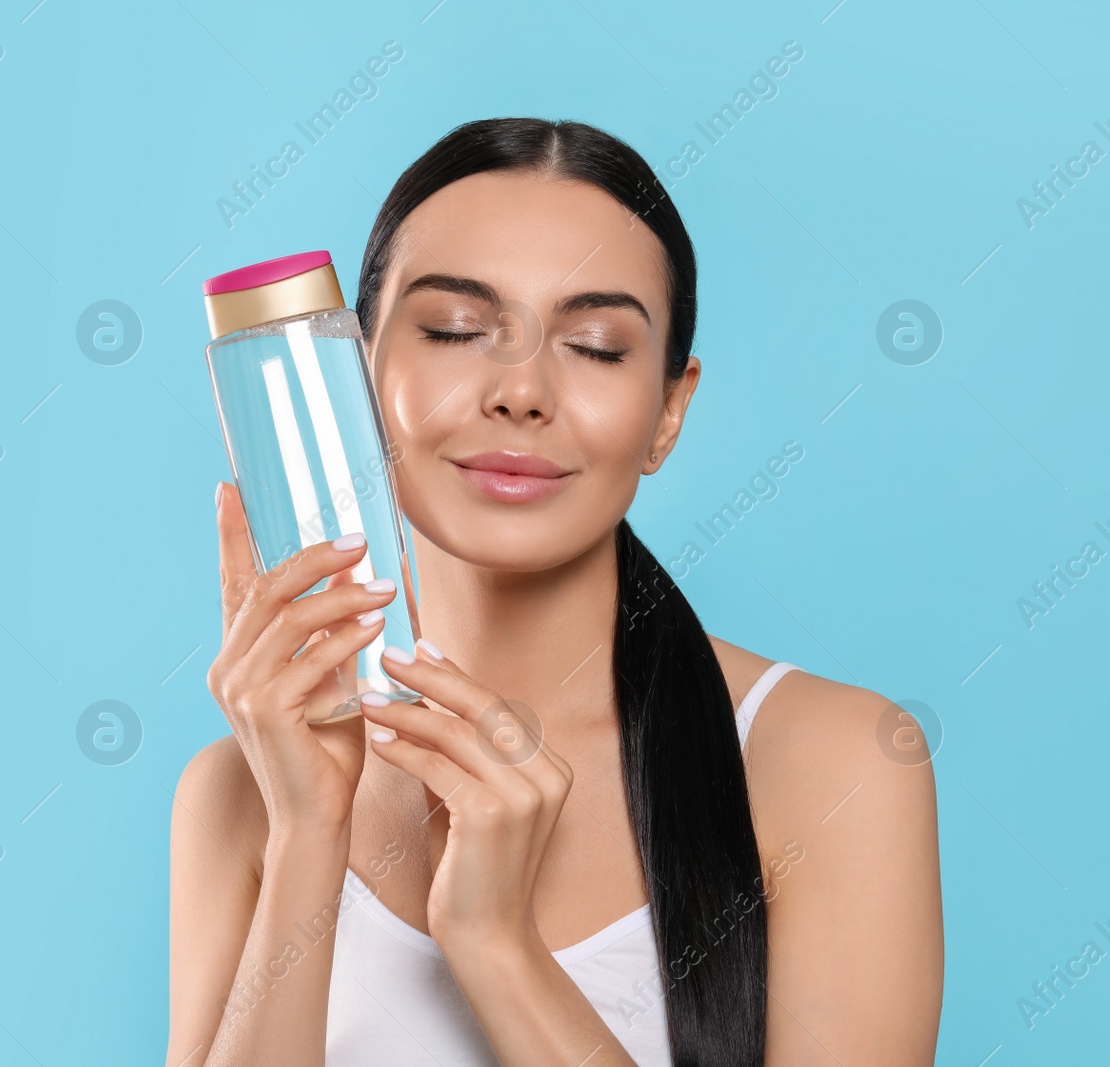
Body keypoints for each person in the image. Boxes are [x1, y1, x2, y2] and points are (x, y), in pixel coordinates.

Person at [168, 117, 943, 1066]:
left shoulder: (835, 765)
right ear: (357, 375)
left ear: (668, 412)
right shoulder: (238, 796)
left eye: (597, 346)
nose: (521, 389)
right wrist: (306, 831)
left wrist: (498, 944)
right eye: (454, 329)